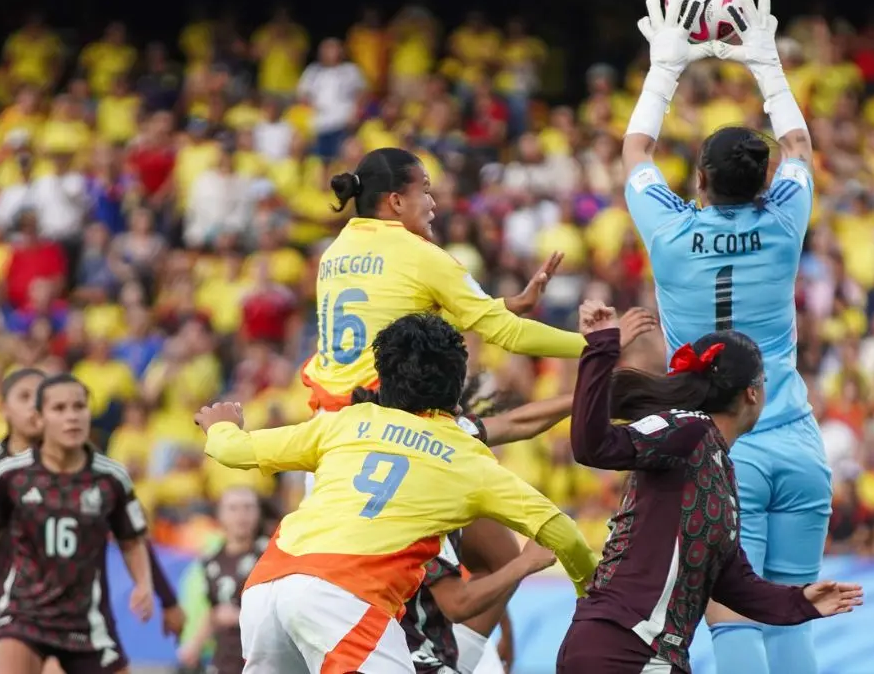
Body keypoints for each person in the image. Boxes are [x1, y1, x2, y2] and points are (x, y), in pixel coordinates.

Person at [301, 145, 590, 668]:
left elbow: (397, 323)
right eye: (425, 190)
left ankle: (454, 659)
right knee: (479, 573)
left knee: (481, 565)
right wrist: (597, 348)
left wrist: (496, 306)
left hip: (334, 437)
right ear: (395, 201)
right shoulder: (421, 255)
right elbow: (507, 336)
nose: (433, 201)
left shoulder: (337, 251)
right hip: (392, 438)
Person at [194, 313, 598, 674]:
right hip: (346, 599)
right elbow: (562, 533)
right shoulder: (466, 458)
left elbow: (234, 451)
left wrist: (221, 426)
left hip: (268, 588)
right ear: (457, 387)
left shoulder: (345, 421)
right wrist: (588, 596)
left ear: (382, 377)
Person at [621, 0, 831, 674]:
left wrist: (666, 67)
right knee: (795, 602)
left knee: (732, 609)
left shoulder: (672, 231)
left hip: (720, 446)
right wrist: (766, 62)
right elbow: (798, 144)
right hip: (796, 436)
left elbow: (635, 150)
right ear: (767, 180)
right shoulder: (784, 220)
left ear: (701, 180)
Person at [558, 302, 863, 674]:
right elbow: (595, 446)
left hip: (639, 651)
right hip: (626, 647)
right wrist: (601, 348)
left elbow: (734, 584)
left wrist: (801, 602)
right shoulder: (689, 430)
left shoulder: (718, 467)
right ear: (752, 393)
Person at [0, 369, 185, 672]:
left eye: (78, 406)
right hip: (16, 611)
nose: (71, 416)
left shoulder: (106, 477)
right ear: (11, 409)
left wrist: (156, 592)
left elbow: (132, 538)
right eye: (58, 407)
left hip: (85, 614)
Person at [349, 385, 575, 674]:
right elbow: (457, 603)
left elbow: (517, 422)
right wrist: (526, 564)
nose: (459, 411)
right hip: (394, 651)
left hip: (393, 634)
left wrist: (586, 395)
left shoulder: (435, 435)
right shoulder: (423, 487)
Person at [176, 486, 270, 674]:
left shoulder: (271, 555)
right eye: (233, 508)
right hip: (224, 661)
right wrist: (194, 645)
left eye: (248, 507)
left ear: (258, 512)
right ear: (219, 515)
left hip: (265, 660)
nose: (241, 515)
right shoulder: (209, 560)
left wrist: (240, 616)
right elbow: (214, 612)